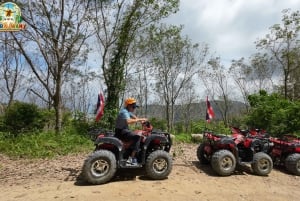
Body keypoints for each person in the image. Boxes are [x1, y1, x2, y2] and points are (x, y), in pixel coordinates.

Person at [115, 97, 147, 166]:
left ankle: (131, 152)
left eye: (135, 107)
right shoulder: (124, 112)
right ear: (129, 105)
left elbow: (133, 116)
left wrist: (141, 121)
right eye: (133, 107)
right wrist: (140, 120)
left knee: (135, 133)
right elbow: (129, 121)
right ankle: (131, 158)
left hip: (122, 130)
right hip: (121, 132)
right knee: (138, 137)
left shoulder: (127, 111)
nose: (134, 108)